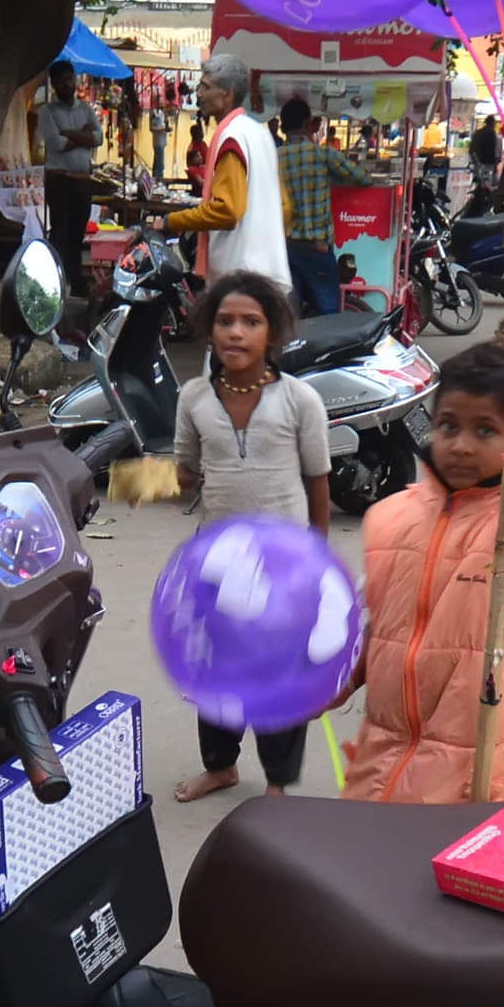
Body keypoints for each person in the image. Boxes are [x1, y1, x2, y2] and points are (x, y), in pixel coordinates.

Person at [339, 311, 504, 804]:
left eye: (486, 431)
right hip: (381, 774)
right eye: (448, 425)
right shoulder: (391, 518)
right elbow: (375, 638)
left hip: (485, 786)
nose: (461, 446)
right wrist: (309, 685)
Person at [170, 272, 331, 803]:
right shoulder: (193, 397)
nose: (235, 333)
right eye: (225, 321)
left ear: (273, 333)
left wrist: (318, 561)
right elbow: (186, 473)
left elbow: (317, 481)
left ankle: (278, 784)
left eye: (251, 322)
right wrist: (131, 479)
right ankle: (220, 766)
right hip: (216, 563)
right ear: (208, 330)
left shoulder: (300, 401)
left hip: (284, 567)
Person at [149, 53, 290, 285]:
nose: (199, 93)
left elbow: (227, 211)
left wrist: (170, 222)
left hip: (238, 277)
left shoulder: (232, 137)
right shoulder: (260, 134)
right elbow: (285, 208)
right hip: (267, 273)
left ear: (227, 94)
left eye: (206, 87)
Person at [273, 96, 373, 315]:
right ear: (308, 124)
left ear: (282, 125)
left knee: (290, 312)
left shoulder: (273, 157)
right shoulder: (323, 154)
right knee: (330, 311)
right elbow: (363, 178)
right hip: (316, 246)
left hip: (285, 246)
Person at [39, 58, 102, 297]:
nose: (68, 84)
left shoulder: (86, 109)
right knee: (59, 233)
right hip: (59, 179)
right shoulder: (47, 111)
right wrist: (81, 135)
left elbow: (98, 138)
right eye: (63, 80)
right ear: (54, 83)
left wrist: (69, 134)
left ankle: (76, 283)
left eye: (70, 78)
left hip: (82, 180)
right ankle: (52, 286)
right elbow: (56, 143)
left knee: (77, 235)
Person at [469, 112, 502, 202]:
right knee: (488, 185)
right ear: (492, 123)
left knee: (481, 183)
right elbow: (492, 150)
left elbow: (471, 149)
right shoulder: (491, 133)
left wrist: (474, 161)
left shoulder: (478, 132)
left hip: (478, 163)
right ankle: (486, 201)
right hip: (487, 163)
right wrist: (495, 164)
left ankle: (479, 199)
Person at [185, 119, 210, 191]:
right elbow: (189, 163)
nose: (201, 134)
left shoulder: (203, 144)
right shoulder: (192, 147)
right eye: (199, 133)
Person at [150, 99, 171, 181]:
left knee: (157, 161)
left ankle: (156, 177)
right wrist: (162, 129)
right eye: (160, 103)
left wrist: (167, 127)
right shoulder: (154, 113)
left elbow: (165, 125)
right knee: (160, 164)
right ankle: (159, 179)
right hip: (158, 141)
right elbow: (152, 128)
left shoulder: (163, 113)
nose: (163, 104)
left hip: (163, 140)